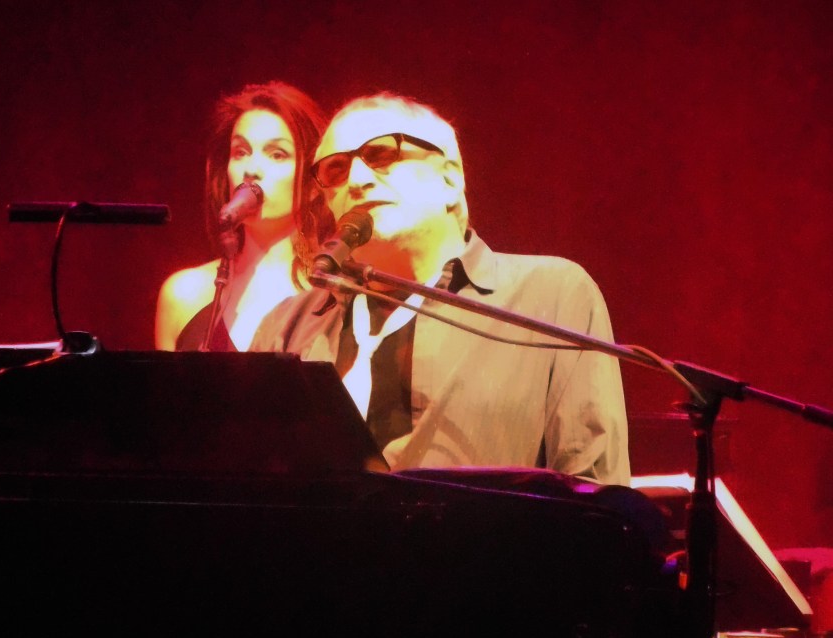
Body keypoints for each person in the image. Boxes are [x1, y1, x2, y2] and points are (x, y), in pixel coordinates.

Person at [249, 92, 630, 484]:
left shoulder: (551, 295)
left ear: (450, 178)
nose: (358, 180)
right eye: (336, 170)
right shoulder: (287, 326)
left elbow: (594, 493)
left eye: (381, 155)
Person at [155, 82, 333, 351]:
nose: (252, 169)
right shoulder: (185, 294)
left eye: (277, 155)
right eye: (241, 152)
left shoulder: (334, 296)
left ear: (313, 182)